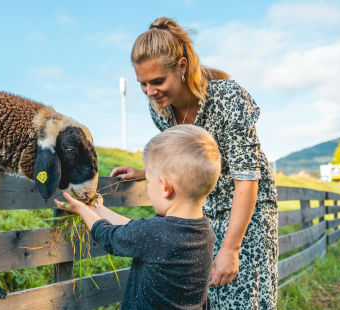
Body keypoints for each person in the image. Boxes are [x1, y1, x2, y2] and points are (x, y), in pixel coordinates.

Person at [110, 17, 278, 309]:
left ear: (182, 67)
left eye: (158, 81)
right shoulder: (160, 111)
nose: (150, 92)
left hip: (245, 210)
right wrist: (144, 173)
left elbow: (247, 178)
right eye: (143, 84)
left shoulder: (228, 98)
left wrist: (231, 247)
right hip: (201, 209)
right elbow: (179, 160)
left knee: (241, 298)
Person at [55, 125, 220, 310]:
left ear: (166, 188)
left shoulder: (155, 234)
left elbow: (110, 237)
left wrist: (83, 210)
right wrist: (99, 209)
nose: (149, 187)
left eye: (149, 181)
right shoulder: (205, 231)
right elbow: (137, 229)